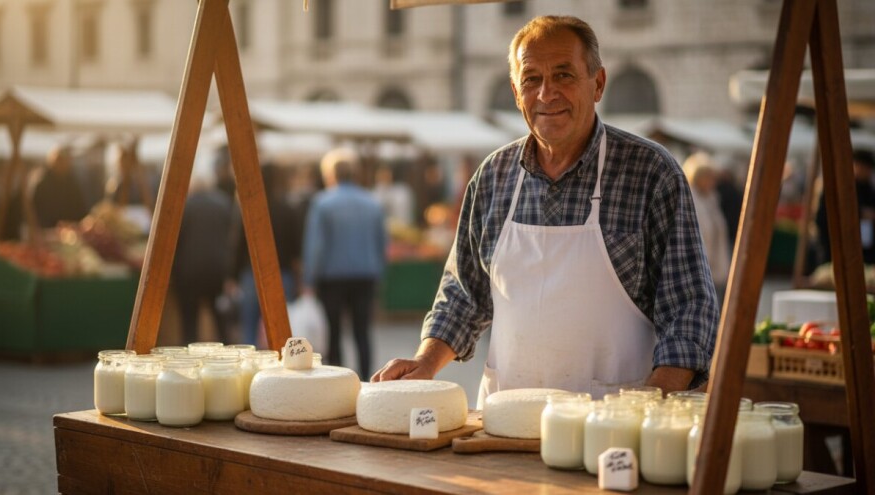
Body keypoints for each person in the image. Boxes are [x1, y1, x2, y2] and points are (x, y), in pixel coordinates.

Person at [372, 16, 718, 404]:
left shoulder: (652, 172)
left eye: (564, 75)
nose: (546, 94)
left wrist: (653, 403)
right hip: (506, 419)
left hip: (612, 427)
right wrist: (425, 361)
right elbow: (464, 294)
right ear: (516, 92)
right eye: (531, 79)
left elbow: (689, 308)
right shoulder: (492, 176)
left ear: (598, 83)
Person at [302, 148, 387, 378]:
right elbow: (381, 243)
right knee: (362, 331)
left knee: (334, 332)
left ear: (330, 175)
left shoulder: (322, 203)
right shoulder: (372, 202)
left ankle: (337, 379)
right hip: (365, 275)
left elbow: (315, 245)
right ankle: (368, 379)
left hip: (332, 277)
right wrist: (379, 272)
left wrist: (309, 278)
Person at [228, 163, 303, 347]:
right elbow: (296, 247)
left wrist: (231, 275)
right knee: (281, 331)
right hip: (281, 273)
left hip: (252, 274)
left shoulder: (248, 208)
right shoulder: (287, 208)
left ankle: (251, 372)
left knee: (249, 327)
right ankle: (281, 370)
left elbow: (237, 244)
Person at [173, 173, 234, 345]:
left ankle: (189, 356)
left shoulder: (185, 206)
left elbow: (176, 241)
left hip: (189, 271)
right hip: (217, 270)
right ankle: (228, 354)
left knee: (189, 322)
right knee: (221, 320)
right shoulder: (223, 204)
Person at [683, 152, 731, 303]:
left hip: (717, 270)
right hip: (699, 272)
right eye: (708, 176)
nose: (713, 180)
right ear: (698, 177)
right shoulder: (689, 200)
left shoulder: (712, 199)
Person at [816, 148, 875, 266]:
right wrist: (860, 214)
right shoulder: (840, 187)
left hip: (866, 249)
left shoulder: (868, 189)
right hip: (838, 246)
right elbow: (827, 215)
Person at [30, 146, 89, 229]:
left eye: (65, 161)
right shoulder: (42, 184)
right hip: (48, 230)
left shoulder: (72, 183)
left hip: (70, 230)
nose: (62, 164)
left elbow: (80, 208)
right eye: (60, 160)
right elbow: (35, 210)